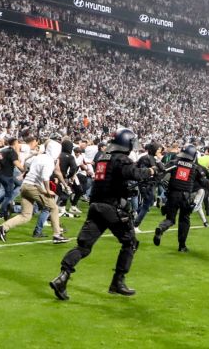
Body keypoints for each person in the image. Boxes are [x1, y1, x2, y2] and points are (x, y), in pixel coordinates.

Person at [49, 128, 154, 300]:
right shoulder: (121, 158)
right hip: (112, 208)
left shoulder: (103, 157)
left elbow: (113, 180)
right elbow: (134, 174)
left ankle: (63, 276)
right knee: (130, 242)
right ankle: (117, 282)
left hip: (96, 206)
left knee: (83, 247)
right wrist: (151, 171)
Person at [0, 138, 69, 244]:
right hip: (33, 186)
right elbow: (45, 177)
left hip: (25, 185)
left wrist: (26, 173)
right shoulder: (49, 161)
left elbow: (26, 162)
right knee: (53, 208)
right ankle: (57, 235)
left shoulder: (39, 156)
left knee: (25, 215)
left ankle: (3, 227)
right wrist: (47, 190)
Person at [153, 144, 208, 252]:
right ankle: (182, 246)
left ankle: (161, 228)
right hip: (185, 197)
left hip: (172, 195)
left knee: (170, 219)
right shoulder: (195, 168)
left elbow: (162, 171)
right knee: (184, 220)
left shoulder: (175, 163)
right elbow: (204, 182)